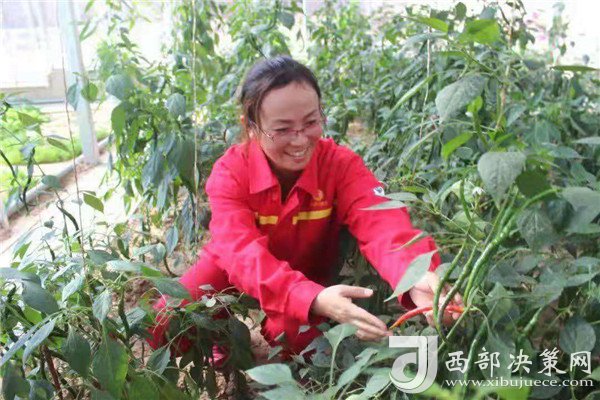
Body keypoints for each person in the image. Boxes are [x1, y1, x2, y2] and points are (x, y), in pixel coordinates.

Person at [148, 55, 463, 361]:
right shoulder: (231, 172)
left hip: (307, 276)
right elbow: (240, 253)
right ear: (251, 126)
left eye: (311, 122)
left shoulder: (339, 165)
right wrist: (308, 297)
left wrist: (417, 277)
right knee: (165, 320)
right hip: (234, 270)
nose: (300, 141)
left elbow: (383, 223)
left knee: (298, 340)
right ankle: (222, 336)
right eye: (282, 129)